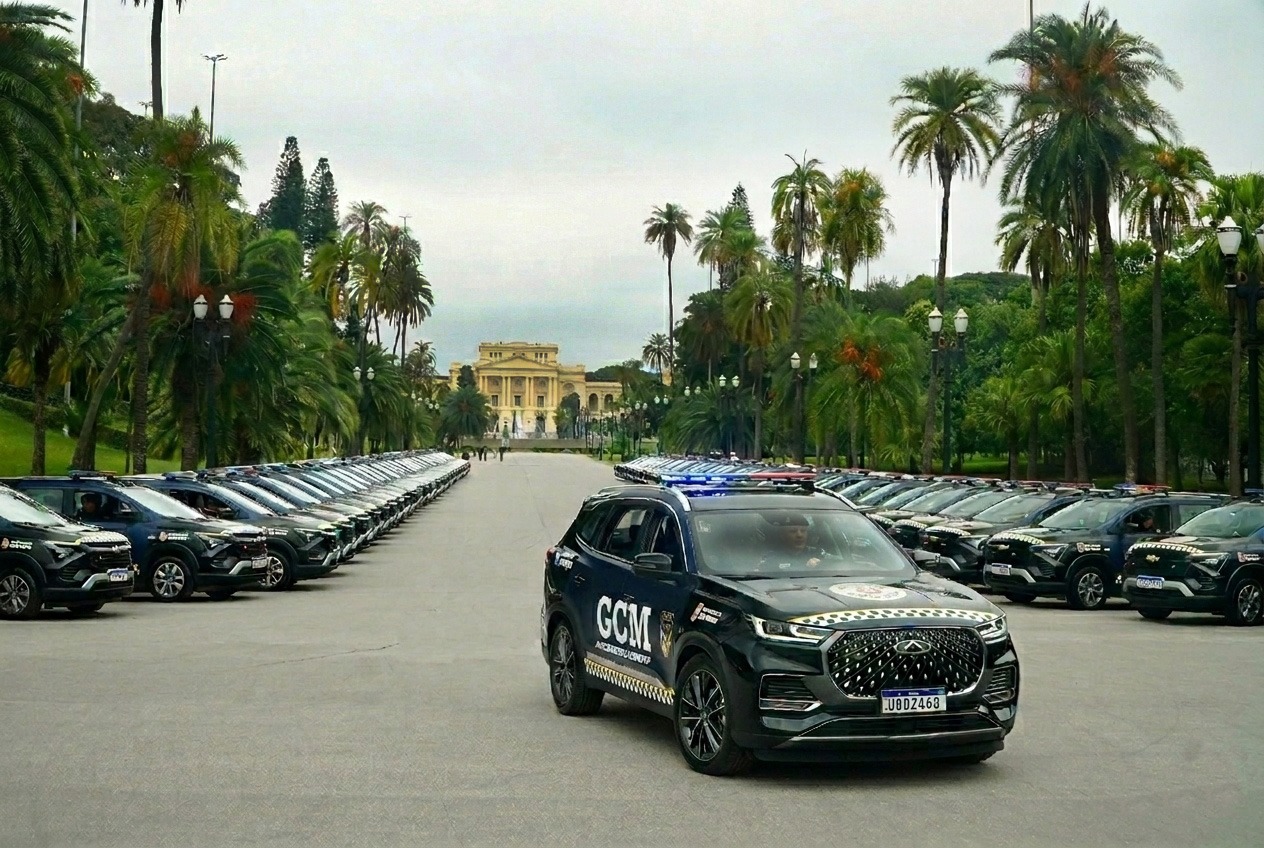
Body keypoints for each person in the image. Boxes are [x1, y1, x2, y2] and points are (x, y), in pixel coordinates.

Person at [760, 512, 829, 570]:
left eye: (803, 531)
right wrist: (805, 568)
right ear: (783, 536)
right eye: (793, 531)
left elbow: (837, 563)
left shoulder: (818, 553)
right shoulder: (772, 558)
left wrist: (821, 564)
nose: (799, 535)